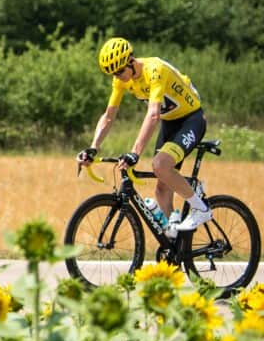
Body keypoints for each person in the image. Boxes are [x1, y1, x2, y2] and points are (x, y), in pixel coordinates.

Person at [76, 36, 210, 235]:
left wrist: (134, 153)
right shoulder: (121, 80)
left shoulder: (154, 70)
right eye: (113, 73)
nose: (118, 76)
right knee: (161, 189)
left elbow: (153, 114)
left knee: (160, 165)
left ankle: (201, 209)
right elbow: (109, 116)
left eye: (120, 70)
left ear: (131, 60)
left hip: (191, 120)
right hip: (170, 123)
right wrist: (93, 146)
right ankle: (176, 245)